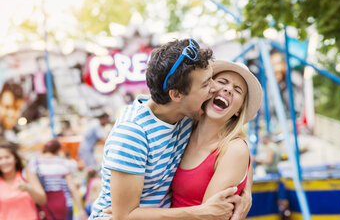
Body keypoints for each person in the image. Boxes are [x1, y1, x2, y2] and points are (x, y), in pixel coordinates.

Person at [90, 39, 251, 220]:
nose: (215, 88)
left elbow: (236, 147)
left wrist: (247, 192)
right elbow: (124, 216)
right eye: (206, 84)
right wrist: (202, 212)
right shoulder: (133, 134)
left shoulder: (185, 117)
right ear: (176, 95)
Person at [171, 60, 262, 207]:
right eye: (222, 81)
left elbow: (207, 215)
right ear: (207, 89)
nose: (228, 89)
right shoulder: (183, 129)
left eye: (237, 90)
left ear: (238, 110)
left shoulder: (234, 149)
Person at [28, 139, 87, 220]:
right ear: (58, 150)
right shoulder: (62, 163)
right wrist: (81, 210)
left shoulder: (34, 162)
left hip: (41, 203)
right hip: (61, 202)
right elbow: (72, 188)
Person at [0, 141, 46, 220]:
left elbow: (42, 201)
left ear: (15, 158)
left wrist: (28, 188)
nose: (4, 162)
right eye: (0, 159)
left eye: (7, 157)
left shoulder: (26, 175)